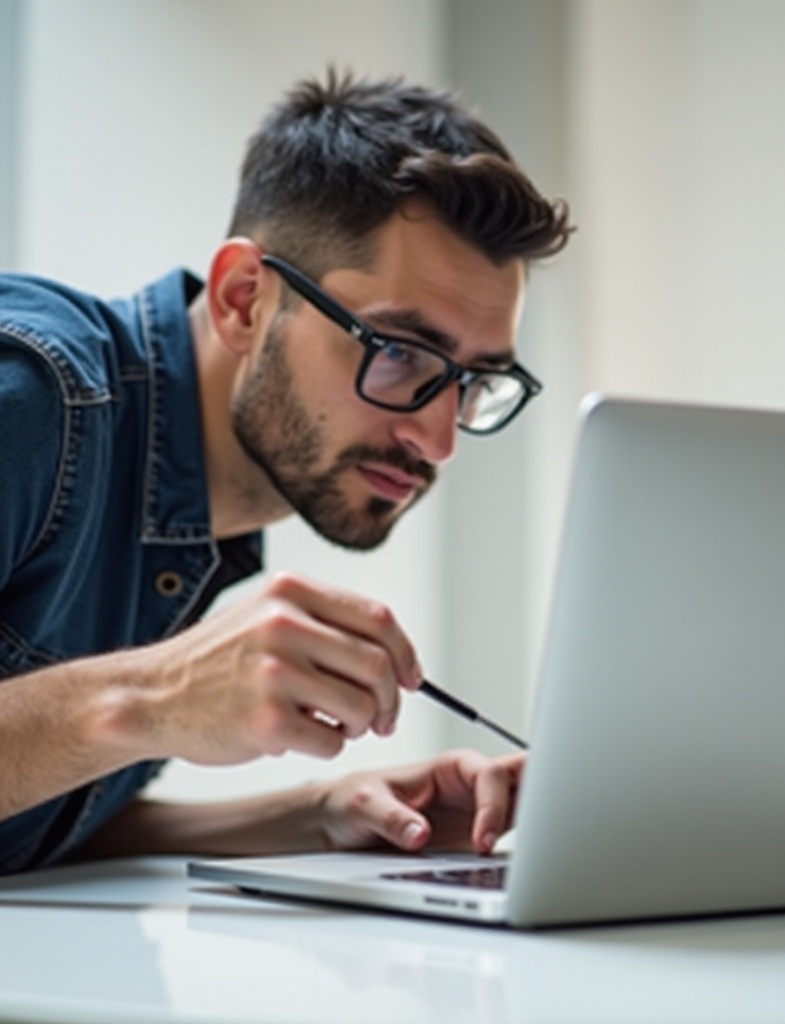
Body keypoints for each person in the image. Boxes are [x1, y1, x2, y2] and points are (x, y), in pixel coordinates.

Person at [0, 69, 573, 875]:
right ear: (244, 300)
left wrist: (319, 815)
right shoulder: (31, 393)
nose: (438, 438)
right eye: (401, 353)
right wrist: (150, 698)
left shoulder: (204, 524)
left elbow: (33, 824)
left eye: (476, 380)